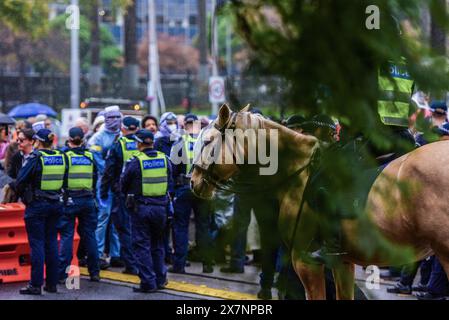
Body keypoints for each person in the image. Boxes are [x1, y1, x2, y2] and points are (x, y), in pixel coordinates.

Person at [12, 129, 66, 295]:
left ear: (37, 141)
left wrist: (24, 196)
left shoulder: (36, 158)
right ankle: (51, 284)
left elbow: (20, 180)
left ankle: (35, 285)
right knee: (51, 243)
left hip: (37, 205)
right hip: (55, 204)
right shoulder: (60, 156)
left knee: (37, 244)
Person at [120, 129, 174, 293]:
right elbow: (170, 181)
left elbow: (123, 185)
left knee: (141, 245)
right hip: (161, 208)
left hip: (142, 208)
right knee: (158, 245)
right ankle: (160, 279)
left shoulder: (135, 161)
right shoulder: (165, 159)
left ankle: (148, 282)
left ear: (139, 143)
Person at [169, 114, 215, 274]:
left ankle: (179, 265)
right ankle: (207, 264)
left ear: (184, 126)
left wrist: (172, 191)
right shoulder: (207, 143)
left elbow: (172, 170)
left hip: (184, 188)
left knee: (181, 227)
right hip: (203, 188)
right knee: (204, 226)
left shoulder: (179, 142)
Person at [58, 127, 100, 283]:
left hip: (70, 199)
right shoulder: (90, 156)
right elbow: (95, 178)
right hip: (88, 199)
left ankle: (62, 274)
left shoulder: (65, 156)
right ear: (83, 140)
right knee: (89, 235)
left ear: (69, 140)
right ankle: (94, 273)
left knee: (67, 236)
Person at [100, 116, 141, 275]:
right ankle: (141, 263)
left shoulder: (118, 145)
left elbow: (109, 171)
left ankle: (131, 265)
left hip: (122, 193)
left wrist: (103, 191)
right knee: (140, 230)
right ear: (137, 128)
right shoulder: (144, 144)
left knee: (124, 229)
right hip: (142, 194)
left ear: (123, 128)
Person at [87, 106, 123, 269]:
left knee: (117, 219)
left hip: (121, 183)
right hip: (105, 183)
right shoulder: (97, 138)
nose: (115, 120)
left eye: (118, 116)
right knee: (103, 218)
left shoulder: (122, 136)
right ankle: (99, 254)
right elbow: (97, 160)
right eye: (111, 117)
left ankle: (116, 254)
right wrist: (110, 173)